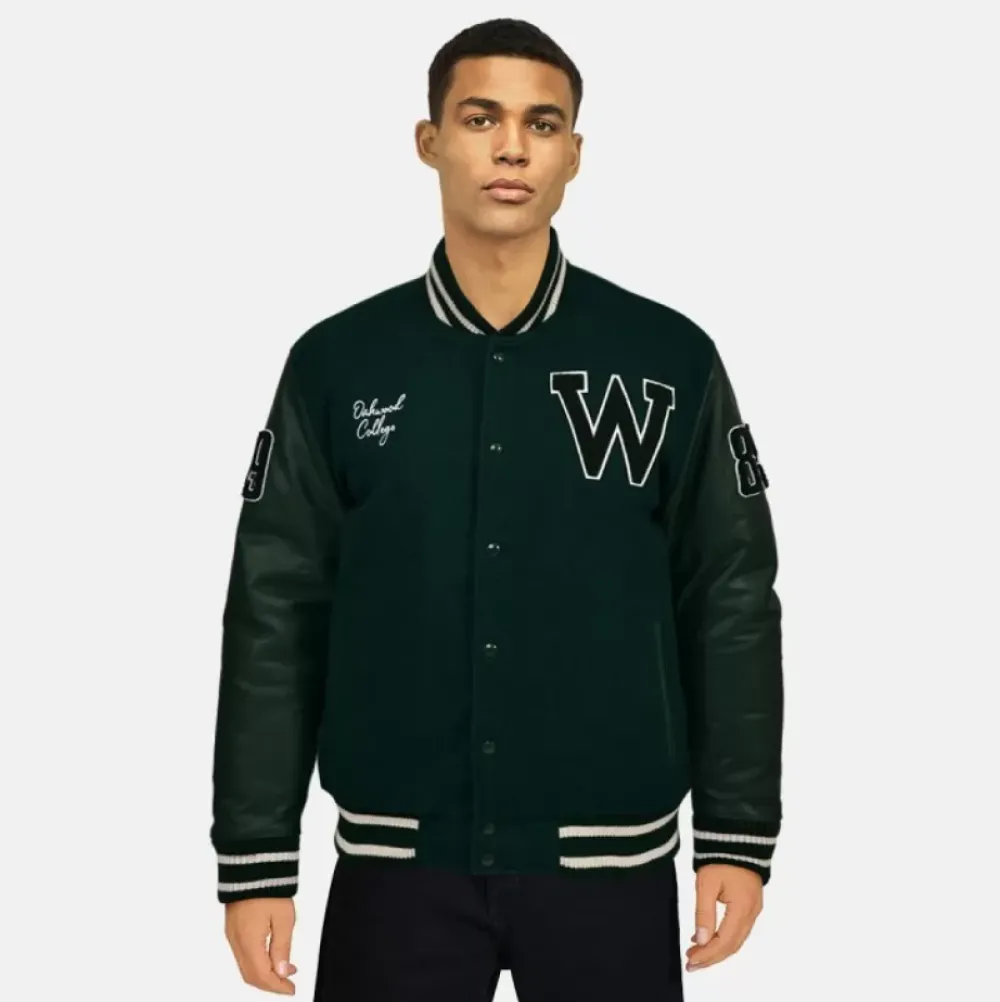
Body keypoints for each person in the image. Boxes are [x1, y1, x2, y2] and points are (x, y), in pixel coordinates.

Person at [211, 16, 784, 1000]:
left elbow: (728, 598)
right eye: (481, 118)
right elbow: (275, 611)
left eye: (541, 123)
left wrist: (735, 833)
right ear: (429, 140)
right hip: (397, 866)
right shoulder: (338, 364)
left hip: (611, 863)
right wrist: (257, 853)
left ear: (573, 153)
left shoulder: (668, 359)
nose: (512, 147)